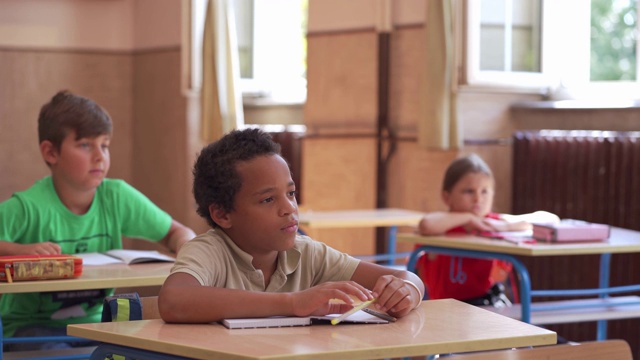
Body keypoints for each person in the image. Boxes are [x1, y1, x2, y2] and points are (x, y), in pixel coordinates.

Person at [158, 128, 425, 323]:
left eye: (291, 193)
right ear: (223, 214)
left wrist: (406, 291)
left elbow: (407, 278)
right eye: (268, 199)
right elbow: (173, 301)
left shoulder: (306, 254)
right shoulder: (209, 251)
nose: (289, 208)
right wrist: (294, 302)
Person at [0, 90, 196, 350]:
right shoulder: (26, 207)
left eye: (104, 145)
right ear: (50, 152)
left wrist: (189, 254)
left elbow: (177, 233)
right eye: (85, 145)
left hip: (99, 324)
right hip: (30, 330)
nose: (99, 156)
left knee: (153, 349)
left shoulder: (117, 197)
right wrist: (18, 251)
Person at [416, 153, 559, 306]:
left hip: (488, 305)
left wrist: (505, 225)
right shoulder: (444, 224)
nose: (478, 199)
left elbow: (551, 219)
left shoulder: (493, 222)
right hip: (447, 308)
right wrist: (468, 218)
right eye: (468, 191)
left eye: (484, 191)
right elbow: (426, 225)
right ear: (447, 197)